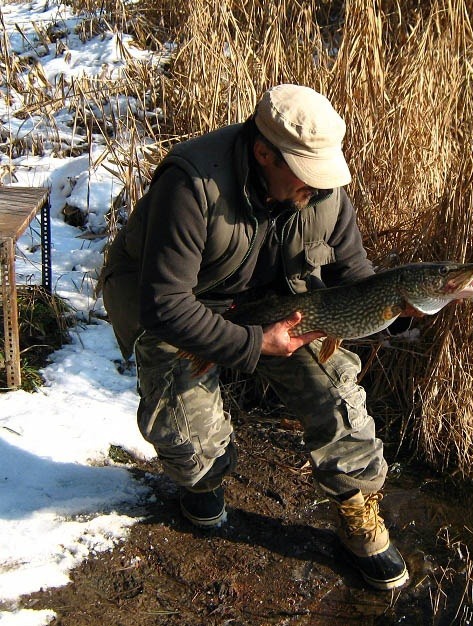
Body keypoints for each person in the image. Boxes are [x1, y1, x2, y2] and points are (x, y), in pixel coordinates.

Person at [100, 84, 410, 590]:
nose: (322, 186)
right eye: (309, 174)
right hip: (172, 307)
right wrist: (253, 345)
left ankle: (358, 510)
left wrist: (400, 309)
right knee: (188, 437)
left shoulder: (324, 187)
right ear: (264, 153)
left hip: (279, 302)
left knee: (337, 393)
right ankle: (205, 477)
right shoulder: (192, 184)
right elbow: (166, 305)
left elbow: (353, 275)